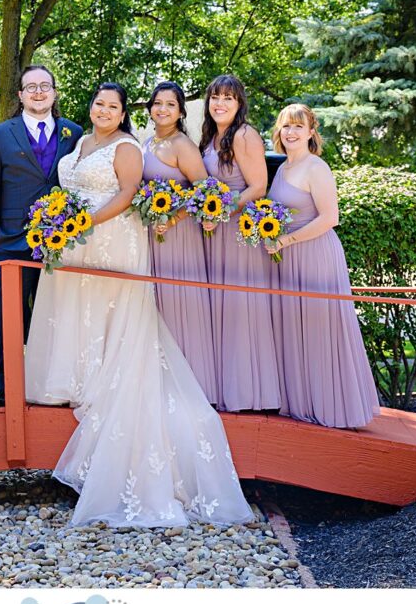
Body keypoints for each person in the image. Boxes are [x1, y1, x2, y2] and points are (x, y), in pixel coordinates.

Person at [25, 82, 253, 528]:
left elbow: (130, 192)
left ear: (124, 112)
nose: (104, 110)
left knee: (111, 315)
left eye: (113, 105)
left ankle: (100, 384)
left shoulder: (131, 146)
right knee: (78, 313)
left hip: (108, 238)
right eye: (99, 103)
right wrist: (58, 220)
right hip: (73, 242)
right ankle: (74, 379)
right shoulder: (81, 141)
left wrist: (79, 222)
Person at [264, 103, 379, 428]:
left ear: (311, 132)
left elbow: (330, 218)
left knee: (320, 329)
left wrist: (286, 241)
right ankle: (302, 402)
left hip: (314, 255)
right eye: (286, 126)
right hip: (287, 259)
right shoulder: (284, 167)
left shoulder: (317, 168)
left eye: (298, 126)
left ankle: (335, 409)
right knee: (295, 329)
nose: (291, 132)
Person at [0, 65, 83, 402]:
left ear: (54, 92)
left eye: (45, 86)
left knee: (55, 316)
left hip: (59, 244)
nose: (39, 92)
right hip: (10, 241)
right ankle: (8, 384)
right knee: (10, 317)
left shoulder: (74, 132)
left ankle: (51, 383)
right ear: (20, 94)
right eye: (31, 87)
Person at [198, 74, 282, 412]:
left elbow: (258, 187)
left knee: (242, 311)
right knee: (221, 310)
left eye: (228, 98)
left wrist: (221, 212)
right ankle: (223, 388)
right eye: (215, 97)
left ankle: (251, 395)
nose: (220, 103)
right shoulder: (209, 137)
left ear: (239, 104)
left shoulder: (245, 135)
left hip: (237, 234)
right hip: (213, 234)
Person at [141, 81, 218, 406]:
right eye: (157, 103)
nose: (162, 109)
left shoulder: (182, 144)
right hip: (151, 236)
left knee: (181, 305)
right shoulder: (146, 143)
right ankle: (161, 383)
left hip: (179, 235)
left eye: (170, 105)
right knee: (157, 308)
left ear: (181, 111)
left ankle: (194, 388)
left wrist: (170, 219)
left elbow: (206, 191)